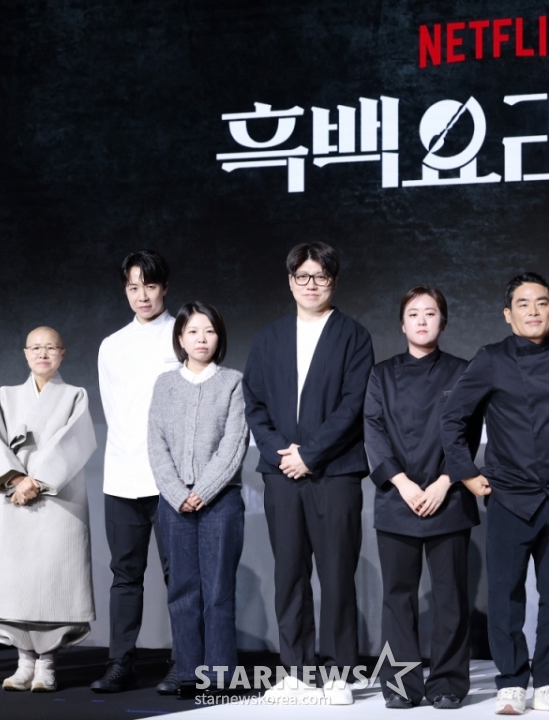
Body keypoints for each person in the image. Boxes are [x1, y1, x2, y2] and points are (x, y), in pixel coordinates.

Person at [440, 272, 549, 716]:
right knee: (505, 595)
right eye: (523, 304)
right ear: (508, 314)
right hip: (509, 498)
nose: (533, 311)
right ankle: (512, 682)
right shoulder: (491, 359)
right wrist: (466, 474)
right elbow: (452, 419)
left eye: (541, 303)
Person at [243, 242, 374, 705]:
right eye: (303, 276)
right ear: (290, 281)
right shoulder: (269, 337)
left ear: (333, 282)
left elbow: (354, 404)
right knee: (289, 573)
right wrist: (283, 453)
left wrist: (311, 454)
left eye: (320, 276)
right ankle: (296, 670)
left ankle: (339, 672)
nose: (311, 284)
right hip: (282, 472)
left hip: (335, 472)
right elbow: (254, 402)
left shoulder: (353, 335)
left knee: (337, 573)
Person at [363, 286, 480, 710]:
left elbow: (467, 433)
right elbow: (373, 432)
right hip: (398, 498)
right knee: (398, 596)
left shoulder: (463, 372)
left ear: (442, 322)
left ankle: (447, 684)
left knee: (450, 597)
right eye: (414, 313)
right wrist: (404, 484)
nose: (422, 320)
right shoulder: (381, 375)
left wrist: (444, 481)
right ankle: (400, 686)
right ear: (402, 324)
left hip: (448, 497)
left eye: (430, 313)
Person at [0, 326, 98, 692]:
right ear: (25, 354)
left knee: (55, 580)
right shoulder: (7, 395)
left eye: (50, 348)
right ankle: (23, 662)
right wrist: (17, 480)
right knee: (16, 584)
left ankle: (47, 665)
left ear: (62, 353)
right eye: (36, 348)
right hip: (14, 497)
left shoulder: (75, 395)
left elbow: (75, 443)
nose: (43, 354)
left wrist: (37, 480)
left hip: (59, 499)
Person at [148, 302, 249, 699]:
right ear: (180, 338)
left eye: (209, 331)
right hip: (174, 504)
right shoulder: (164, 384)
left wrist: (202, 492)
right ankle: (187, 672)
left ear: (219, 337)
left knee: (218, 590)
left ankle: (220, 675)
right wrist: (178, 494)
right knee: (182, 590)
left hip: (220, 501)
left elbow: (234, 444)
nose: (201, 339)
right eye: (193, 331)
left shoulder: (233, 382)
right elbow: (156, 443)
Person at [93, 250, 183, 694]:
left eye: (149, 285)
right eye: (133, 287)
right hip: (122, 476)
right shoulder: (111, 345)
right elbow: (113, 412)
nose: (142, 295)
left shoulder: (183, 334)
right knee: (125, 575)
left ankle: (185, 660)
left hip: (172, 480)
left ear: (164, 287)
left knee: (178, 574)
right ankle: (120, 663)